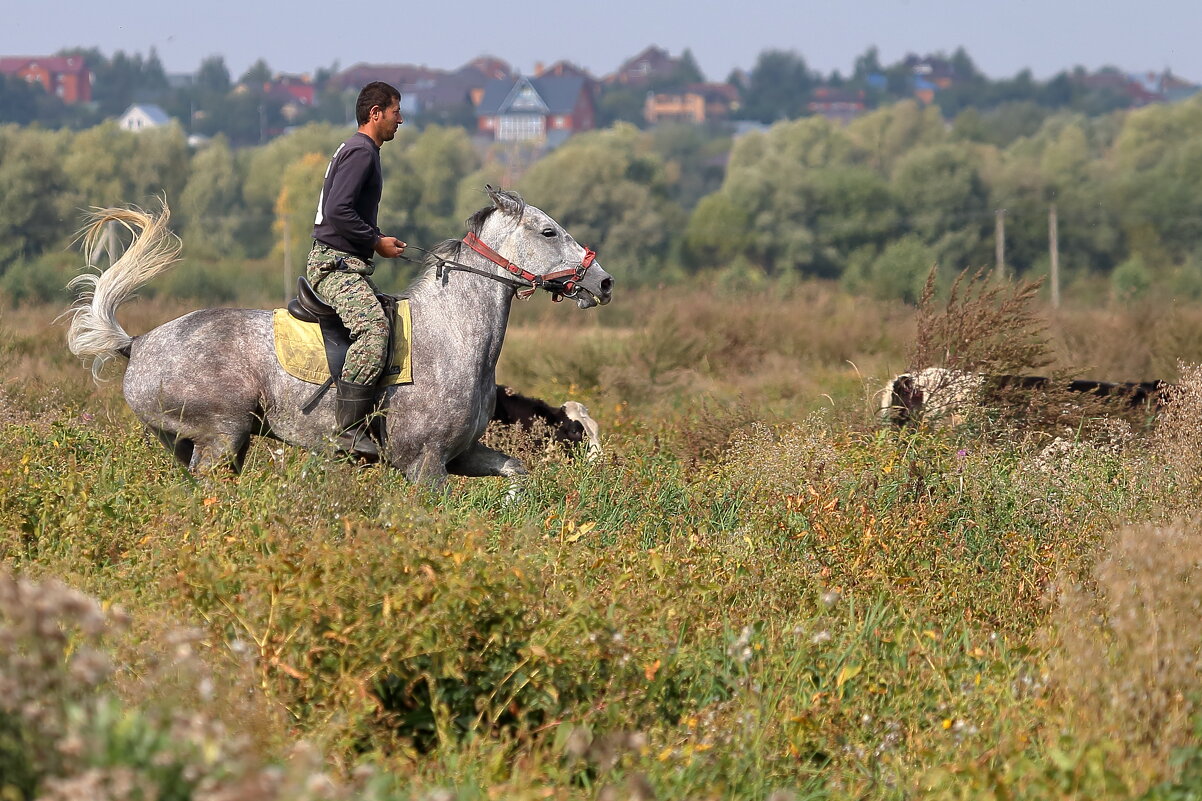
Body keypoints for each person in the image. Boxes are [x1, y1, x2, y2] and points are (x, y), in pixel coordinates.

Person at [307, 81, 406, 436]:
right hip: (334, 266)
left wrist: (376, 240)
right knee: (374, 331)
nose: (401, 119)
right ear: (375, 113)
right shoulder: (362, 151)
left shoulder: (360, 149)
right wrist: (376, 240)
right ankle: (347, 431)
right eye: (396, 111)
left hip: (346, 262)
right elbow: (337, 210)